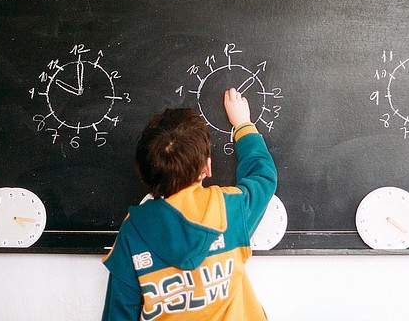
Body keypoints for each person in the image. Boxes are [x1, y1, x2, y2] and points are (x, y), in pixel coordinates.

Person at [101, 88, 277, 320]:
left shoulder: (133, 231)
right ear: (207, 168)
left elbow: (119, 314)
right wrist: (243, 124)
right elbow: (263, 176)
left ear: (146, 176)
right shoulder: (229, 209)